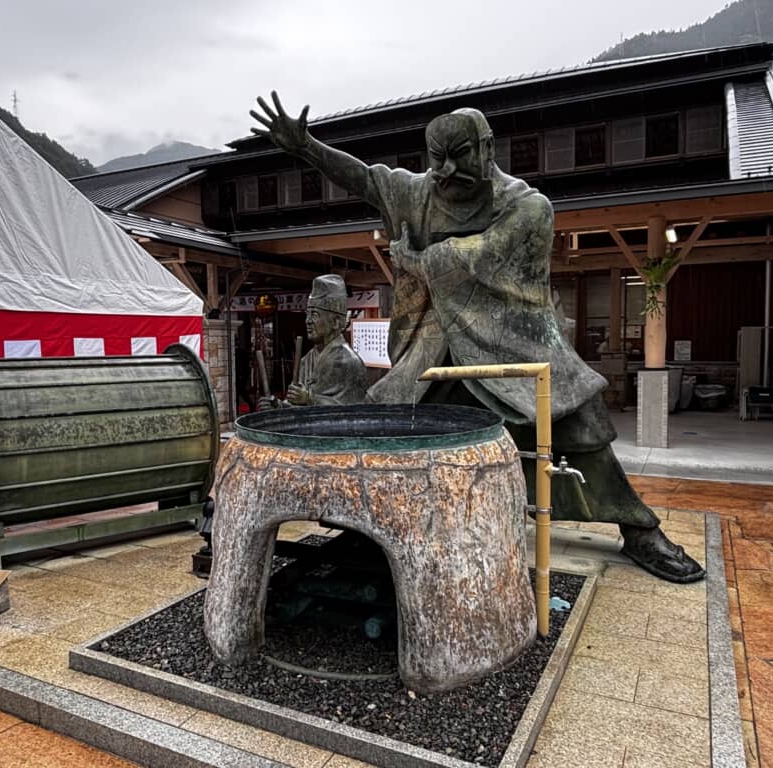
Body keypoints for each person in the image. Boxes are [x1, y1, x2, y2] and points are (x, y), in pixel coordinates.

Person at [250, 93, 703, 582]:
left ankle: (637, 526)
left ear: (488, 148)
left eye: (459, 156)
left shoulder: (527, 207)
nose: (445, 170)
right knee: (395, 429)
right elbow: (365, 178)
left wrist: (416, 261)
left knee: (579, 426)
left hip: (511, 344)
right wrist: (307, 146)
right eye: (436, 159)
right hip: (433, 346)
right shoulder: (419, 194)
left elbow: (478, 256)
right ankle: (382, 523)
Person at [259, 274, 368, 408]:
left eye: (315, 315)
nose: (308, 321)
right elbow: (296, 405)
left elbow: (352, 410)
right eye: (308, 314)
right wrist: (279, 406)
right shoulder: (306, 360)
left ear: (336, 322)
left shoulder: (350, 363)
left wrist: (309, 398)